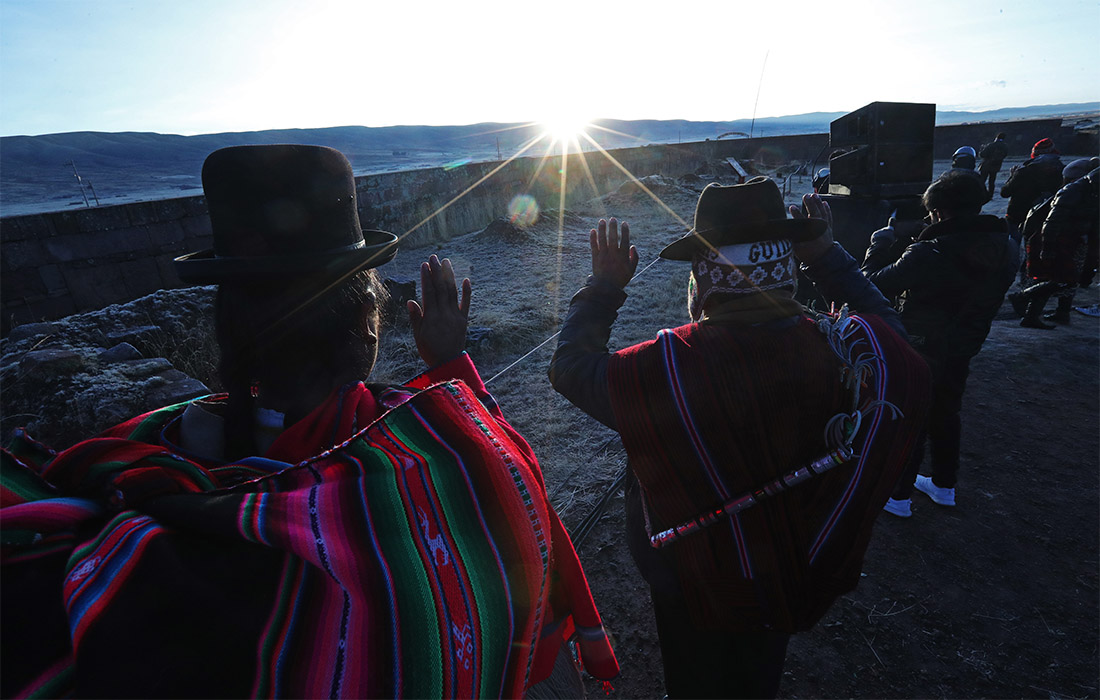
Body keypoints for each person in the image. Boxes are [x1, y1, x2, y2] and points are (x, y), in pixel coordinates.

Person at [0, 144, 618, 698]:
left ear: (228, 329)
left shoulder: (138, 459)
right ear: (366, 331)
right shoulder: (438, 449)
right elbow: (511, 483)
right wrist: (450, 367)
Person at [548, 177, 930, 698]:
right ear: (787, 266)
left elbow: (570, 367)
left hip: (683, 571)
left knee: (691, 671)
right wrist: (827, 255)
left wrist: (605, 287)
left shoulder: (660, 370)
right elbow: (891, 330)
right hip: (789, 562)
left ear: (702, 280)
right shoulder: (842, 352)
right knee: (761, 663)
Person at [862, 171, 1017, 516]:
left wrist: (880, 244)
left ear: (941, 211)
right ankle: (944, 485)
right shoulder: (1007, 246)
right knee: (947, 410)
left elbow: (870, 284)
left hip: (921, 343)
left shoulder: (930, 252)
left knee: (912, 412)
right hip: (965, 343)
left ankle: (898, 496)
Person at [1007, 158, 1100, 327]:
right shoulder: (1073, 191)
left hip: (1074, 239)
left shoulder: (1092, 193)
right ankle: (1023, 299)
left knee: (1066, 276)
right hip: (1054, 238)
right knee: (1057, 278)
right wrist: (1047, 247)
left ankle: (1057, 313)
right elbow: (1052, 222)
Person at [1000, 138, 1064, 239]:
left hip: (1018, 216)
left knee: (1014, 243)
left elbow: (1005, 192)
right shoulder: (1062, 170)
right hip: (1046, 216)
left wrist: (1013, 176)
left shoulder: (1024, 172)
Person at [979, 132, 1009, 198]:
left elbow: (982, 154)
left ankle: (980, 193)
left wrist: (982, 150)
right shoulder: (1005, 146)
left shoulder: (991, 145)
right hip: (996, 166)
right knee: (992, 181)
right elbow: (1005, 155)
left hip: (986, 165)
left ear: (996, 137)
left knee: (982, 180)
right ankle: (990, 195)